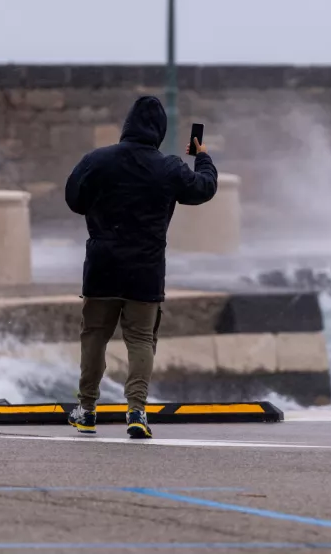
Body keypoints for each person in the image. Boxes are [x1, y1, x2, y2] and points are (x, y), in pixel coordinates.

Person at [63, 95, 217, 439]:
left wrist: (100, 208)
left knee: (94, 337)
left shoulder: (98, 161)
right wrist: (202, 154)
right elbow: (203, 189)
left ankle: (87, 410)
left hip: (102, 266)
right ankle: (137, 411)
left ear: (127, 125)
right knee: (141, 339)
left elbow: (74, 198)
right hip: (145, 270)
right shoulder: (169, 167)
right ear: (159, 131)